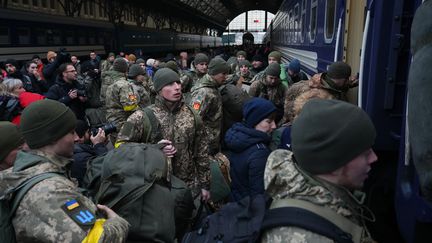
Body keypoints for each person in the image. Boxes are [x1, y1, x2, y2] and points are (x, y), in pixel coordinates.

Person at [0, 99, 129, 242]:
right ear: (52, 137)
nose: (75, 138)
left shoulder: (29, 171)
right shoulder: (50, 191)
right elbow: (98, 240)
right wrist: (117, 222)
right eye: (71, 132)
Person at [261, 99, 377, 242]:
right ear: (332, 162)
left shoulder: (327, 196)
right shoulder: (304, 237)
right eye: (364, 153)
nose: (374, 158)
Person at [117, 68, 211, 199]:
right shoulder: (140, 117)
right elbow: (121, 148)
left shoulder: (192, 115)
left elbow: (202, 152)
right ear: (159, 89)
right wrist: (153, 150)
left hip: (187, 186)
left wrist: (205, 184)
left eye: (178, 83)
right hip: (154, 188)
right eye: (170, 84)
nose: (177, 87)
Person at [224, 98, 276, 201]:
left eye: (274, 120)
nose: (274, 126)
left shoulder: (237, 138)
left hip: (236, 201)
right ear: (254, 122)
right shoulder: (260, 153)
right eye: (269, 121)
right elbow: (259, 197)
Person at [283, 61, 356, 123]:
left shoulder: (327, 82)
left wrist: (350, 84)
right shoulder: (318, 95)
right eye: (346, 79)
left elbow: (337, 88)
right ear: (341, 79)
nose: (348, 81)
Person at [189, 57, 229, 155]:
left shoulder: (213, 86)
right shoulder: (204, 92)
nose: (226, 77)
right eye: (223, 74)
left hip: (213, 140)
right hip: (206, 144)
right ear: (214, 73)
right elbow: (193, 119)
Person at [105, 58, 138, 140]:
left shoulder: (110, 83)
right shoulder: (124, 85)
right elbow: (130, 106)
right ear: (125, 69)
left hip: (112, 123)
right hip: (122, 124)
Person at [72, 120, 107, 187]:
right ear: (80, 138)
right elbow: (106, 168)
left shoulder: (75, 151)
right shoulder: (81, 158)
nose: (91, 134)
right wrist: (99, 145)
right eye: (88, 132)